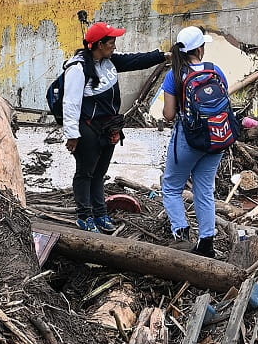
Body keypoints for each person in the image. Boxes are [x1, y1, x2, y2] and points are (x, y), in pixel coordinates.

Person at [60, 22, 166, 233]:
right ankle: (85, 216)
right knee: (85, 173)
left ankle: (100, 214)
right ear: (99, 44)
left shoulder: (108, 62)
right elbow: (70, 103)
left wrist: (162, 56)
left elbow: (135, 60)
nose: (115, 46)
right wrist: (72, 135)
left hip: (108, 127)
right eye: (111, 42)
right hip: (87, 130)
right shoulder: (78, 68)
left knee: (99, 173)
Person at [160, 26, 230, 257]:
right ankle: (206, 242)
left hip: (188, 140)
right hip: (216, 137)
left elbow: (169, 115)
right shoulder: (216, 70)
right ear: (199, 48)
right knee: (205, 190)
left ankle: (181, 233)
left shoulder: (174, 75)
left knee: (171, 186)